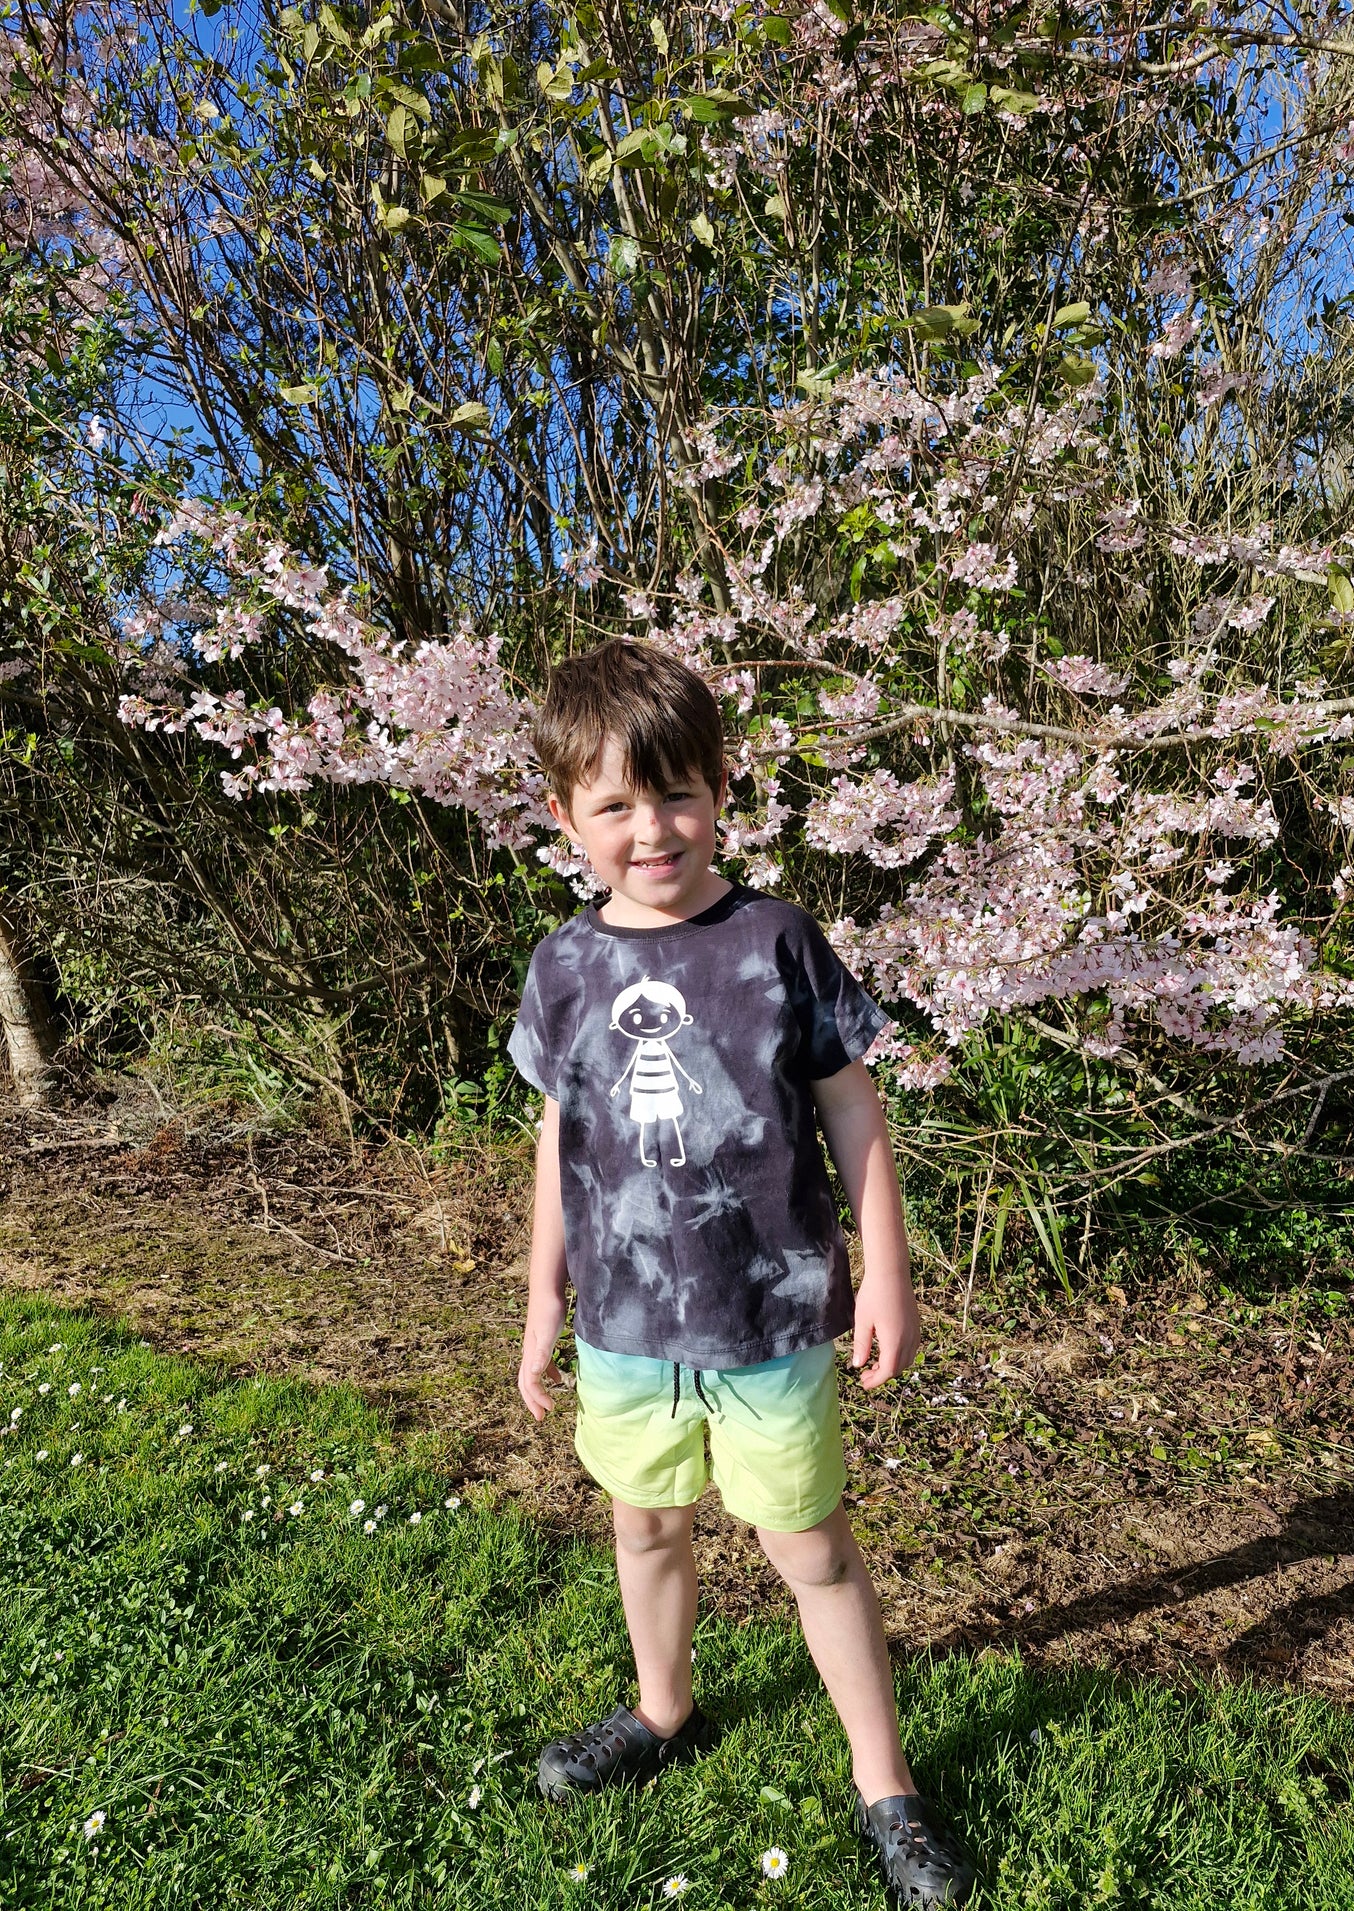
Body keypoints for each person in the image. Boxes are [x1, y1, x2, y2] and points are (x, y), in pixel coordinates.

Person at [508, 640, 977, 1906]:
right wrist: (542, 1298)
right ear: (565, 817)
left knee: (808, 1548)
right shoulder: (561, 970)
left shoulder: (775, 939)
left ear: (721, 788)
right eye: (613, 804)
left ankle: (887, 1788)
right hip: (621, 1328)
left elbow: (852, 1111)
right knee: (643, 1522)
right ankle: (660, 1710)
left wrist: (885, 1273)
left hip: (766, 1321)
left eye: (677, 794)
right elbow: (561, 1136)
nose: (650, 828)